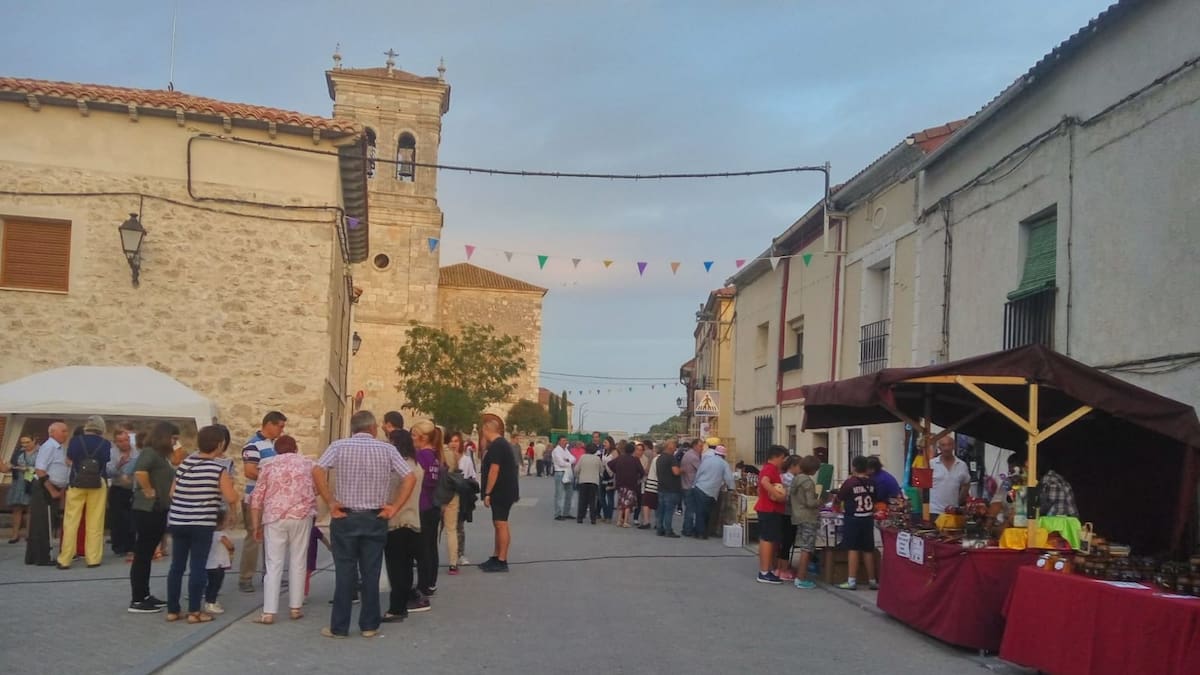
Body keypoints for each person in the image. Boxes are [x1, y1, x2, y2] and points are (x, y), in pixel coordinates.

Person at [313, 410, 416, 638]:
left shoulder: (339, 446)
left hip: (345, 516)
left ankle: (339, 627)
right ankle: (369, 625)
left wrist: (330, 501)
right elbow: (410, 477)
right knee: (371, 571)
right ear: (372, 428)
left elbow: (317, 470)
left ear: (353, 428)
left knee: (344, 572)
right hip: (375, 517)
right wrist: (394, 507)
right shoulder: (387, 449)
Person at [165, 425, 239, 623]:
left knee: (177, 566)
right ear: (219, 445)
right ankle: (194, 611)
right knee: (197, 566)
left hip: (178, 520)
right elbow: (230, 496)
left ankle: (172, 610)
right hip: (201, 522)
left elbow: (172, 493)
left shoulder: (184, 465)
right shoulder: (217, 469)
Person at [250, 434, 316, 624]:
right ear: (295, 448)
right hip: (301, 516)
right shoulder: (308, 464)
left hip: (274, 516)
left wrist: (255, 524)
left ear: (276, 449)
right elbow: (316, 489)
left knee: (274, 564)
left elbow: (257, 497)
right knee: (298, 560)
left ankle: (269, 612)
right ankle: (296, 607)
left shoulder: (268, 465)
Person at [128, 422, 179, 613]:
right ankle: (138, 599)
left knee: (147, 554)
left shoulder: (161, 455)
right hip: (148, 509)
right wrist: (149, 490)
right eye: (173, 439)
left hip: (158, 509)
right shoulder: (150, 452)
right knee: (142, 554)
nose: (175, 442)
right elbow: (140, 471)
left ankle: (145, 594)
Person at [239, 410, 288, 593]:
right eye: (280, 426)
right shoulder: (253, 445)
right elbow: (250, 471)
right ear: (270, 424)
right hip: (255, 499)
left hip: (272, 499)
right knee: (254, 537)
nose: (282, 431)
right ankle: (246, 577)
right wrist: (272, 479)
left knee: (272, 538)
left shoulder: (274, 445)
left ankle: (271, 573)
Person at [57, 415, 111, 569]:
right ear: (101, 427)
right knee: (95, 521)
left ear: (87, 426)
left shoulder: (75, 441)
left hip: (76, 482)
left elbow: (69, 461)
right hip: (98, 483)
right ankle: (93, 558)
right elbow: (106, 462)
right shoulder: (106, 444)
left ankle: (65, 559)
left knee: (71, 521)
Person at [383, 428, 427, 619]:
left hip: (397, 520)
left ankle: (396, 608)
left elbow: (391, 493)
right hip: (413, 519)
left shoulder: (399, 469)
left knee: (396, 567)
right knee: (407, 566)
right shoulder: (416, 465)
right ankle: (406, 600)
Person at [479, 414, 519, 573]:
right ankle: (496, 556)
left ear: (487, 430)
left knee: (501, 523)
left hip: (501, 491)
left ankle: (502, 560)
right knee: (497, 523)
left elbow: (494, 470)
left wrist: (488, 492)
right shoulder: (500, 444)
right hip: (504, 491)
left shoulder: (497, 445)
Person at [28, 422, 69, 566]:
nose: (66, 433)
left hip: (55, 488)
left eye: (66, 431)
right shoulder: (49, 446)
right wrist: (52, 490)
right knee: (42, 523)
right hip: (45, 487)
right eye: (63, 431)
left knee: (46, 522)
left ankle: (35, 555)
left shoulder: (60, 448)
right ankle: (41, 557)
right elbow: (40, 470)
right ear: (52, 432)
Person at [835, 455, 878, 591]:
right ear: (866, 468)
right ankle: (872, 580)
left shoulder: (850, 482)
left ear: (853, 467)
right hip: (868, 518)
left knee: (853, 548)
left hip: (853, 518)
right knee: (868, 549)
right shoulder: (872, 483)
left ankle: (851, 580)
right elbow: (875, 499)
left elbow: (840, 497)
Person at [410, 420, 443, 596]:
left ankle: (423, 583)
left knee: (423, 548)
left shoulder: (422, 455)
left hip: (422, 504)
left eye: (414, 435)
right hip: (433, 504)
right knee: (431, 546)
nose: (412, 439)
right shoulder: (436, 455)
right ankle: (430, 581)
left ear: (422, 437)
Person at [754, 445, 789, 584]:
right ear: (777, 457)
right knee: (767, 539)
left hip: (767, 508)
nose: (783, 461)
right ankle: (764, 572)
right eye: (783, 458)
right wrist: (777, 496)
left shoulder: (768, 469)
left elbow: (760, 488)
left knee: (766, 539)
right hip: (770, 509)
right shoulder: (770, 468)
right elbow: (764, 482)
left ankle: (765, 569)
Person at [789, 455, 822, 589]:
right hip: (808, 517)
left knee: (803, 545)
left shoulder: (796, 479)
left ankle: (800, 575)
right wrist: (819, 501)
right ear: (813, 470)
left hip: (797, 515)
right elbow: (810, 502)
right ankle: (801, 578)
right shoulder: (808, 483)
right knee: (807, 548)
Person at [106, 429, 139, 558]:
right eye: (120, 441)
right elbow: (108, 472)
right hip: (118, 488)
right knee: (118, 519)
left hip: (133, 488)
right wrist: (118, 465)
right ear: (115, 442)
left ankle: (132, 545)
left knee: (132, 518)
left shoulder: (137, 452)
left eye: (126, 440)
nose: (124, 443)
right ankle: (119, 546)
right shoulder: (111, 453)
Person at [693, 442, 735, 540]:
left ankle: (699, 532)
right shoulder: (724, 464)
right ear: (724, 455)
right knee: (707, 512)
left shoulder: (707, 460)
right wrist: (731, 488)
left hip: (700, 487)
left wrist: (694, 484)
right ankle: (703, 532)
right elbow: (729, 478)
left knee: (700, 511)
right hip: (711, 491)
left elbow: (699, 472)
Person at [3, 435, 38, 543]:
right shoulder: (19, 452)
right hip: (19, 482)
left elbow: (43, 468)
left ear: (34, 441)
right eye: (22, 443)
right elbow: (9, 466)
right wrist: (8, 465)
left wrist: (28, 469)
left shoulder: (40, 452)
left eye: (27, 442)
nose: (25, 445)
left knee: (30, 509)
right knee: (17, 508)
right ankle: (15, 535)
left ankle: (29, 534)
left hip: (32, 481)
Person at [930, 435, 970, 519]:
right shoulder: (931, 464)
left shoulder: (962, 465)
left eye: (949, 444)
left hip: (953, 512)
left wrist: (958, 502)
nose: (946, 448)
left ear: (954, 446)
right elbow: (921, 487)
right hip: (934, 511)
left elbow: (966, 484)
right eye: (943, 445)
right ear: (939, 448)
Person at [454, 431, 479, 567]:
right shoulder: (443, 458)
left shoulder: (466, 460)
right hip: (445, 495)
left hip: (461, 496)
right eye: (451, 441)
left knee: (459, 527)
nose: (453, 444)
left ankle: (460, 554)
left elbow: (472, 477)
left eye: (456, 441)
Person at [607, 441, 644, 529]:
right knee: (628, 503)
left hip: (620, 483)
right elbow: (641, 471)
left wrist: (617, 471)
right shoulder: (635, 460)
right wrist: (638, 476)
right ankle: (626, 521)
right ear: (633, 451)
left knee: (621, 502)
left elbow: (609, 464)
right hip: (631, 484)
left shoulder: (620, 458)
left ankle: (619, 520)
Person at [776, 456, 801, 581]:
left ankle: (779, 568)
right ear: (793, 466)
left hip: (782, 512)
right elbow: (793, 497)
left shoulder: (782, 477)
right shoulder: (791, 480)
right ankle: (784, 570)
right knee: (787, 541)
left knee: (783, 542)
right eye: (799, 466)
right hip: (789, 512)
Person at [203, 521, 235, 615]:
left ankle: (209, 601)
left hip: (210, 564)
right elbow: (229, 545)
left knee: (211, 584)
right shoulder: (220, 534)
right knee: (216, 584)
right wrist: (232, 548)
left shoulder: (208, 534)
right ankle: (211, 603)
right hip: (218, 564)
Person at [654, 442, 683, 538]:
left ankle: (659, 528)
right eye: (674, 447)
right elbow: (676, 472)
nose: (675, 449)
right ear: (670, 447)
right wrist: (682, 470)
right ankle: (668, 530)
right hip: (671, 489)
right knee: (669, 511)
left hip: (661, 487)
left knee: (661, 510)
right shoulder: (671, 458)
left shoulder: (660, 458)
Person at [680, 439, 704, 537]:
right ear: (694, 446)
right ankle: (688, 529)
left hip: (685, 484)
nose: (701, 448)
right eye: (700, 446)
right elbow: (701, 469)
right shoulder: (694, 457)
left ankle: (686, 528)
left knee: (688, 508)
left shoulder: (688, 454)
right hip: (690, 485)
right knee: (690, 509)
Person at [574, 447, 602, 524]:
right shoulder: (597, 458)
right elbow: (601, 470)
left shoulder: (582, 457)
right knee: (592, 501)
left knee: (582, 500)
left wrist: (577, 476)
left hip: (583, 481)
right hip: (593, 482)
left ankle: (580, 517)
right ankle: (593, 518)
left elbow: (576, 469)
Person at [551, 436, 575, 520]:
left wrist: (567, 460)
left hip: (568, 472)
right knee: (559, 494)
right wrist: (569, 462)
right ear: (559, 442)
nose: (565, 442)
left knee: (569, 493)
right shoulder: (556, 451)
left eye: (566, 440)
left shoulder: (566, 450)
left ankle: (566, 512)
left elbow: (573, 458)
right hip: (560, 473)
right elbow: (560, 463)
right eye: (563, 440)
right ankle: (558, 514)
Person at [636, 441, 657, 529]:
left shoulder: (646, 458)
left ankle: (643, 520)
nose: (639, 452)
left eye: (641, 450)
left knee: (643, 501)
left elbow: (646, 470)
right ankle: (641, 519)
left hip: (644, 481)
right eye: (637, 449)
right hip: (643, 481)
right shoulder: (635, 458)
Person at [599, 437, 617, 522]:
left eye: (605, 442)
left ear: (610, 443)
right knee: (601, 496)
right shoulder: (603, 451)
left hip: (611, 476)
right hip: (603, 475)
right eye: (603, 442)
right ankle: (605, 514)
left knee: (610, 497)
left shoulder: (615, 452)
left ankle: (609, 517)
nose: (604, 444)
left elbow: (617, 464)